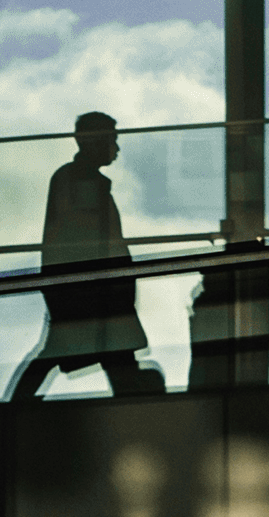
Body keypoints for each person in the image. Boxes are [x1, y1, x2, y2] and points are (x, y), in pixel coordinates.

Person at [12, 113, 162, 400]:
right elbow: (91, 239)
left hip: (93, 289)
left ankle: (16, 407)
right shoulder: (80, 180)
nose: (116, 149)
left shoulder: (76, 179)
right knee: (109, 353)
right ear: (92, 141)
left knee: (98, 353)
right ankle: (15, 408)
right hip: (94, 291)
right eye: (111, 140)